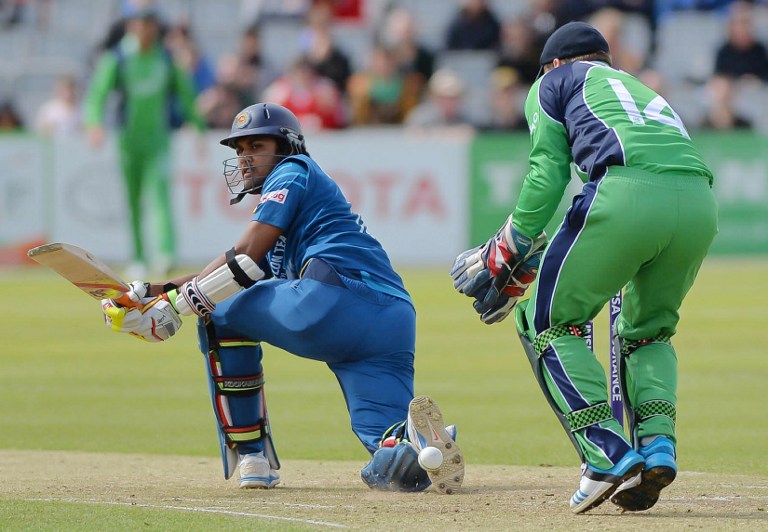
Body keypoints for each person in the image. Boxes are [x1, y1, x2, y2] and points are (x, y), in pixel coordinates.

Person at [99, 102, 465, 495]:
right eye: (239, 151)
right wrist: (154, 293)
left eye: (256, 145)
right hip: (390, 319)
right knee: (389, 455)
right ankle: (420, 445)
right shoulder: (294, 219)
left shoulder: (292, 170)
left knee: (220, 314)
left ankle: (253, 457)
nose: (245, 159)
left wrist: (173, 311)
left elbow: (243, 259)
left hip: (333, 299)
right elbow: (243, 269)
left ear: (287, 144)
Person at [450, 21, 717, 514]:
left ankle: (606, 452)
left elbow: (547, 171)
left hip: (624, 194)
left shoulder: (554, 82)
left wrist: (509, 244)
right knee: (649, 333)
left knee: (545, 322)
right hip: (700, 203)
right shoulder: (638, 86)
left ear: (553, 63)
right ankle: (657, 444)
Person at [84, 6, 205, 278]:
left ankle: (165, 254)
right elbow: (97, 95)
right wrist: (94, 124)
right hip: (128, 140)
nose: (144, 30)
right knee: (134, 200)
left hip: (158, 139)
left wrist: (199, 128)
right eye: (139, 24)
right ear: (131, 27)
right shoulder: (118, 58)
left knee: (160, 195)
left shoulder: (165, 59)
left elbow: (187, 95)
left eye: (149, 24)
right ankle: (138, 256)